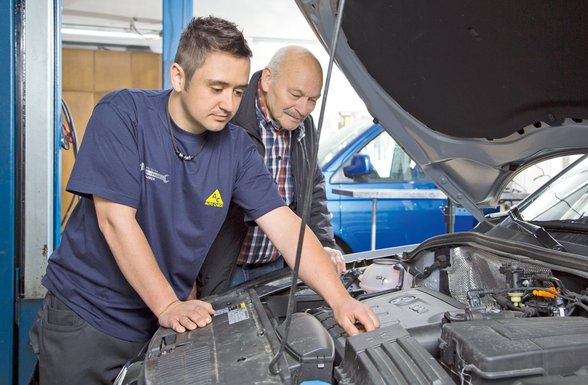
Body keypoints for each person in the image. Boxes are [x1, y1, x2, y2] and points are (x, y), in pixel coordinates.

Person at [29, 16, 378, 385]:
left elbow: (286, 225)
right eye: (217, 88)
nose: (228, 104)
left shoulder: (238, 150)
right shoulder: (123, 114)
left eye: (239, 91)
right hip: (89, 317)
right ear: (179, 76)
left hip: (165, 327)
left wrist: (341, 301)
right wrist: (167, 304)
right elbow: (115, 220)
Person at [198, 45, 345, 295]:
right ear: (267, 79)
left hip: (278, 267)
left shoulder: (305, 126)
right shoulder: (228, 116)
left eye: (313, 100)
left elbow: (313, 193)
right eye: (295, 94)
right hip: (226, 270)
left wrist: (322, 245)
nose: (303, 108)